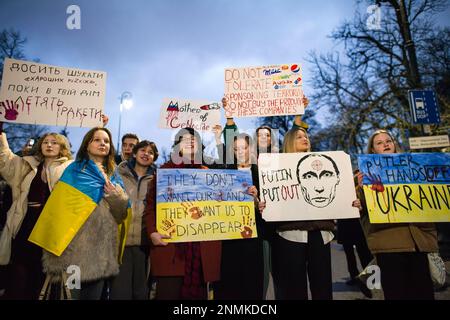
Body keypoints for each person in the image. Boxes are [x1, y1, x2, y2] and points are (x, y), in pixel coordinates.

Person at [34, 127, 129, 300]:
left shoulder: (114, 176)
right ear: (87, 145)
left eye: (106, 141)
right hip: (73, 253)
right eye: (97, 140)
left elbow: (121, 215)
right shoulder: (74, 170)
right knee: (71, 296)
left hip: (101, 252)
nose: (102, 144)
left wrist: (116, 196)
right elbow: (59, 210)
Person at [356, 129, 438, 300]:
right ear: (372, 150)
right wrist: (361, 193)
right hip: (388, 244)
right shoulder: (363, 177)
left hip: (417, 244)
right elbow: (362, 208)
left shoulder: (414, 169)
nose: (386, 144)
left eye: (389, 140)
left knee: (424, 294)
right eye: (379, 143)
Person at [145, 127, 221, 300]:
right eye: (184, 139)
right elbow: (150, 207)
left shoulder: (207, 173)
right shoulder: (164, 172)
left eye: (194, 139)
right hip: (171, 249)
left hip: (199, 254)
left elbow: (220, 207)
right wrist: (152, 233)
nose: (190, 141)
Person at [0, 121, 73, 299]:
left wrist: (99, 126)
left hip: (49, 229)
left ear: (62, 146)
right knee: (17, 276)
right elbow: (5, 160)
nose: (49, 145)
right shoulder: (27, 164)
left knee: (39, 279)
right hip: (25, 224)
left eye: (54, 142)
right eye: (46, 142)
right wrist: (1, 133)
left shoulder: (69, 168)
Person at [214, 133, 264, 300]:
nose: (241, 152)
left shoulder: (263, 174)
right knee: (230, 281)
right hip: (230, 236)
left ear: (251, 148)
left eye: (244, 147)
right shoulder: (224, 172)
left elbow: (272, 206)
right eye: (236, 149)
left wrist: (257, 200)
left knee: (252, 280)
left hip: (254, 235)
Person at [109, 140, 158, 300]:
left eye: (150, 152)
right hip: (120, 241)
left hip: (144, 243)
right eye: (143, 150)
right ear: (135, 153)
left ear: (154, 158)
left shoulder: (157, 179)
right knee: (119, 291)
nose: (146, 154)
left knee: (141, 291)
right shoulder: (118, 174)